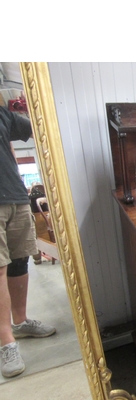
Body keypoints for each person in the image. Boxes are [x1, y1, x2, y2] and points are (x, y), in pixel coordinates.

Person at [1, 104, 56, 378]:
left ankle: (20, 323)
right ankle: (6, 341)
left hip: (16, 196)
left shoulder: (4, 115)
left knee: (20, 260)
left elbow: (39, 127)